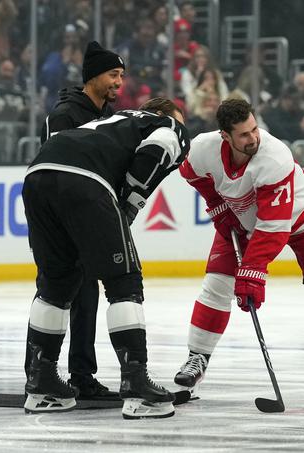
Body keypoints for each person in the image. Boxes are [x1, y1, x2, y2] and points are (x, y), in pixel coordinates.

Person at [174, 99, 304, 404]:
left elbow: (273, 228)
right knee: (216, 286)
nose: (253, 139)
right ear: (225, 136)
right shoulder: (203, 149)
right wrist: (217, 205)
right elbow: (190, 172)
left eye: (254, 129)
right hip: (244, 220)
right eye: (244, 135)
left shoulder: (273, 157)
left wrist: (252, 274)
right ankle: (196, 360)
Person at [21, 97, 190, 419]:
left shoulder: (111, 122)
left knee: (56, 284)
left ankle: (41, 384)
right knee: (123, 281)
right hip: (85, 181)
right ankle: (136, 384)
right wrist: (128, 204)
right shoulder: (165, 124)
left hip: (38, 174)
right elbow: (156, 152)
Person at [35, 40, 125, 404]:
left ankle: (81, 375)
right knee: (57, 294)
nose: (119, 82)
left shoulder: (107, 115)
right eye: (113, 75)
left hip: (89, 216)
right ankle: (42, 371)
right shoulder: (65, 115)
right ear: (93, 78)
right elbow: (62, 171)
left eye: (121, 75)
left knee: (86, 297)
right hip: (62, 220)